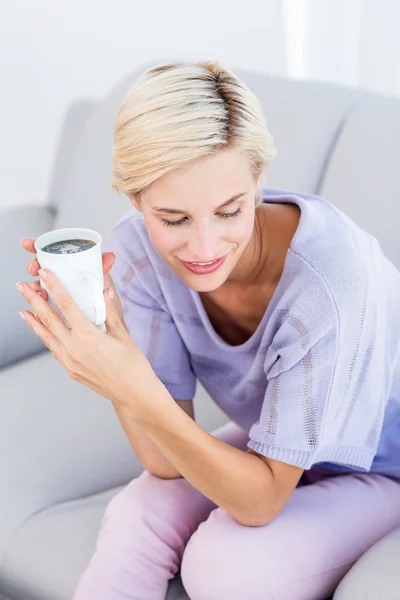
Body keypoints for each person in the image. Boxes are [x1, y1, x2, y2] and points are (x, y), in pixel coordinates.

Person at [20, 61, 400, 600]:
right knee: (136, 512)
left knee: (226, 567)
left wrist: (127, 384)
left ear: (258, 181)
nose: (203, 250)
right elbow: (161, 461)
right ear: (135, 199)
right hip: (283, 435)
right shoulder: (135, 255)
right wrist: (108, 339)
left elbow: (260, 500)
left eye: (230, 210)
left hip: (383, 462)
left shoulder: (329, 287)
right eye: (174, 218)